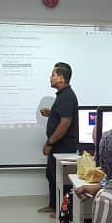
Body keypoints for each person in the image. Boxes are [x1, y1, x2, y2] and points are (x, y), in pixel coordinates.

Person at [38, 62, 79, 214]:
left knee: (62, 179)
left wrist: (49, 142)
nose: (50, 78)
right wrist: (51, 114)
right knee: (52, 175)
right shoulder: (63, 95)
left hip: (63, 146)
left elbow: (65, 123)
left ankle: (62, 212)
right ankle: (54, 206)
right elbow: (62, 117)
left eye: (53, 75)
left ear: (61, 78)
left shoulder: (66, 96)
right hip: (59, 146)